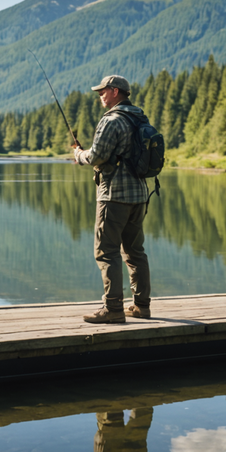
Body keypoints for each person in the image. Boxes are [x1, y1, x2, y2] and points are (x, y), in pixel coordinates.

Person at [72, 75, 151, 324]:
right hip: (139, 195)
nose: (100, 96)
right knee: (135, 251)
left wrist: (79, 154)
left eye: (103, 91)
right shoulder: (139, 117)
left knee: (106, 252)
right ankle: (141, 306)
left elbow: (97, 156)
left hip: (114, 195)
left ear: (116, 91)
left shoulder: (112, 121)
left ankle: (113, 309)